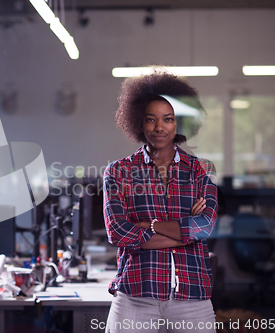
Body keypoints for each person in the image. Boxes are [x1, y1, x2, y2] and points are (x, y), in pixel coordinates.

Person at [103, 69, 218, 332]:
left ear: (179, 123)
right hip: (135, 294)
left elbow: (205, 226)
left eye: (168, 119)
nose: (159, 127)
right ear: (138, 123)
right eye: (150, 119)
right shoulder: (118, 171)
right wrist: (184, 231)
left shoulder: (202, 169)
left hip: (192, 296)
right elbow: (118, 232)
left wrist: (147, 225)